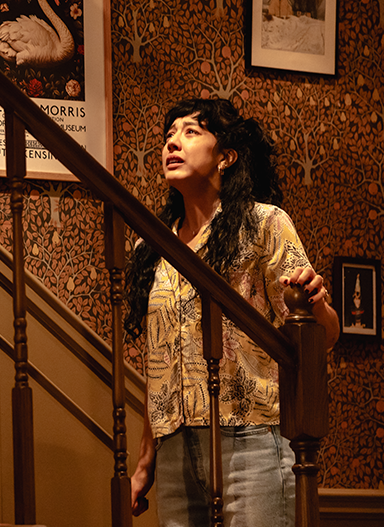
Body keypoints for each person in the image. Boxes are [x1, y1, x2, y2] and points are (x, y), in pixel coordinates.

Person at [125, 98, 339, 527]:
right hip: (174, 451)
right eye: (169, 135)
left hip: (252, 440)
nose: (173, 143)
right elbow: (158, 362)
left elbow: (325, 335)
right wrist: (146, 459)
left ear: (226, 156)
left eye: (191, 132)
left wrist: (317, 302)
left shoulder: (264, 224)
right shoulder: (151, 245)